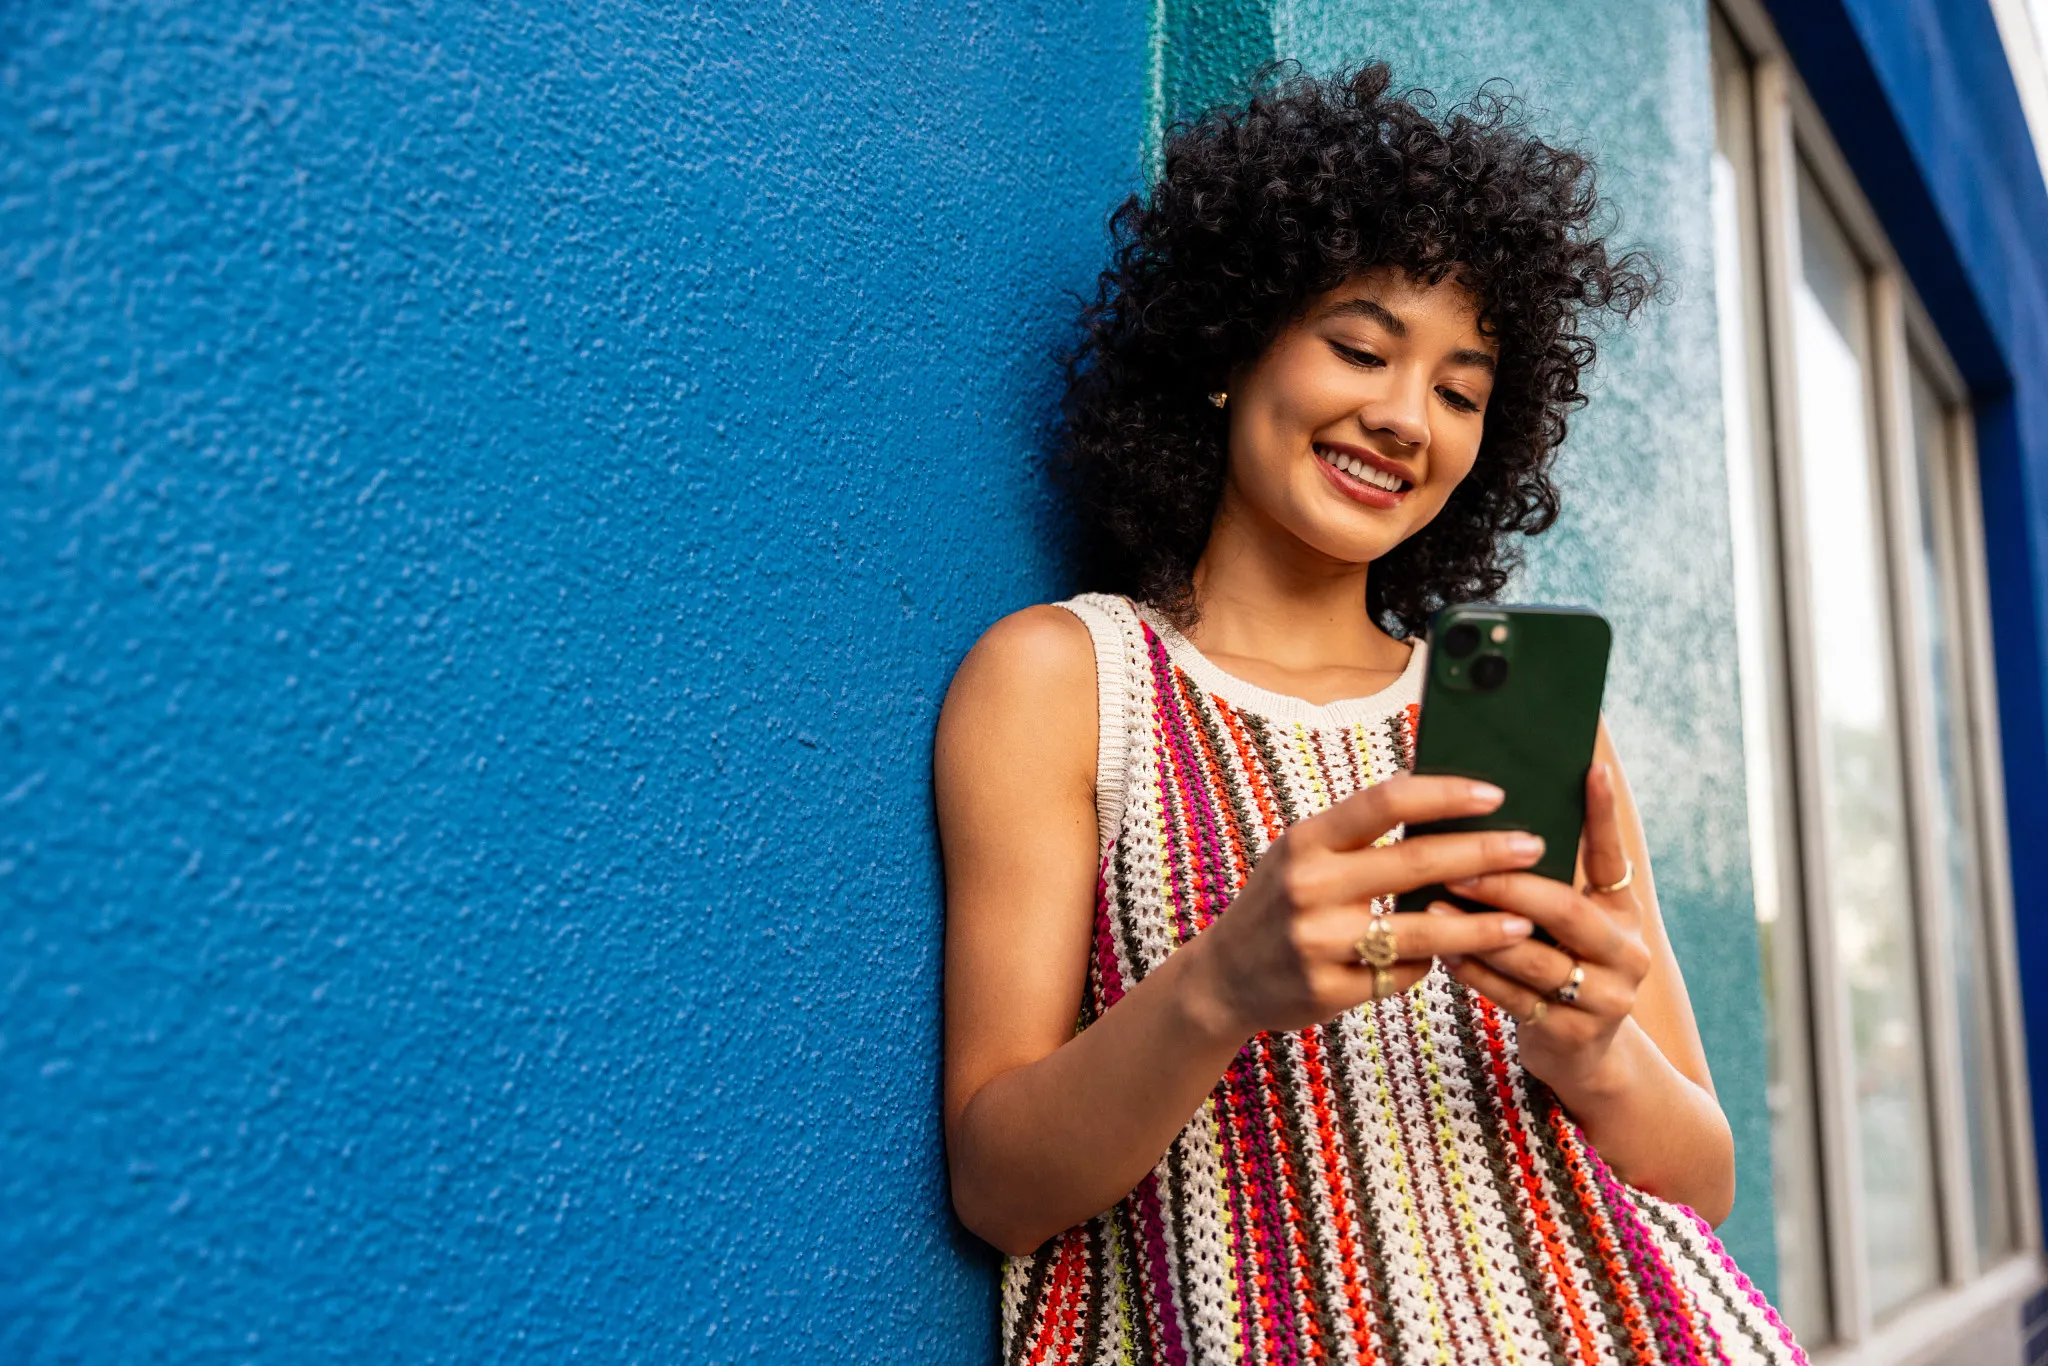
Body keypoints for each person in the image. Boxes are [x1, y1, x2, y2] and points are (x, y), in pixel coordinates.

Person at [934, 64, 1805, 1365]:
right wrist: (1222, 983)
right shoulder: (1068, 681)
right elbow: (997, 1181)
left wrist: (1596, 1047)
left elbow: (1705, 1178)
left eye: (1461, 391)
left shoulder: (1502, 710)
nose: (1406, 417)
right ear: (1231, 347)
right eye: (1360, 347)